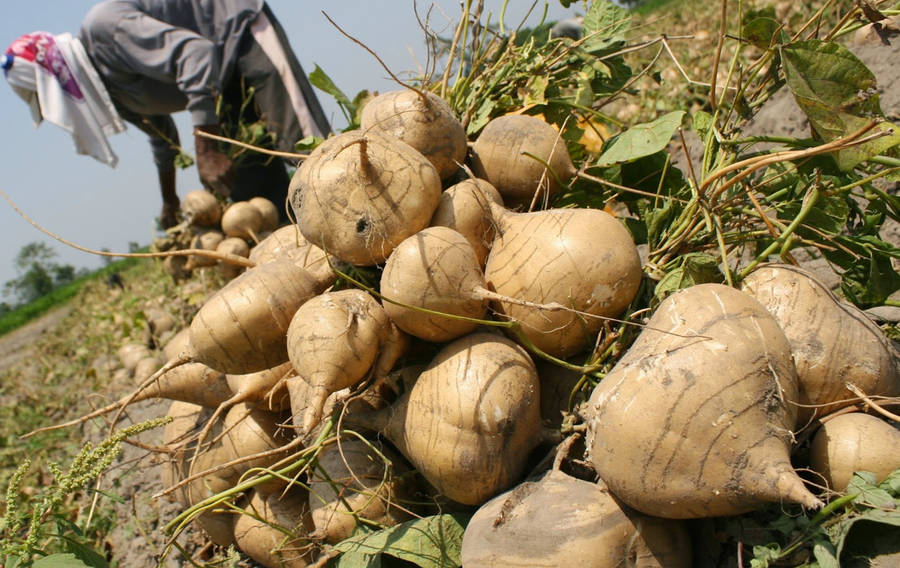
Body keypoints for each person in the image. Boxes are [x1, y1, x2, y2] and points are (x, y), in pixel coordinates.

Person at [2, 1, 331, 228]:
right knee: (256, 195)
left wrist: (206, 149)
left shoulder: (105, 29)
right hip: (220, 90)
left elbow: (196, 54)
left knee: (306, 150)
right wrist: (170, 200)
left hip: (237, 33)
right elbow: (163, 137)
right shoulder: (110, 95)